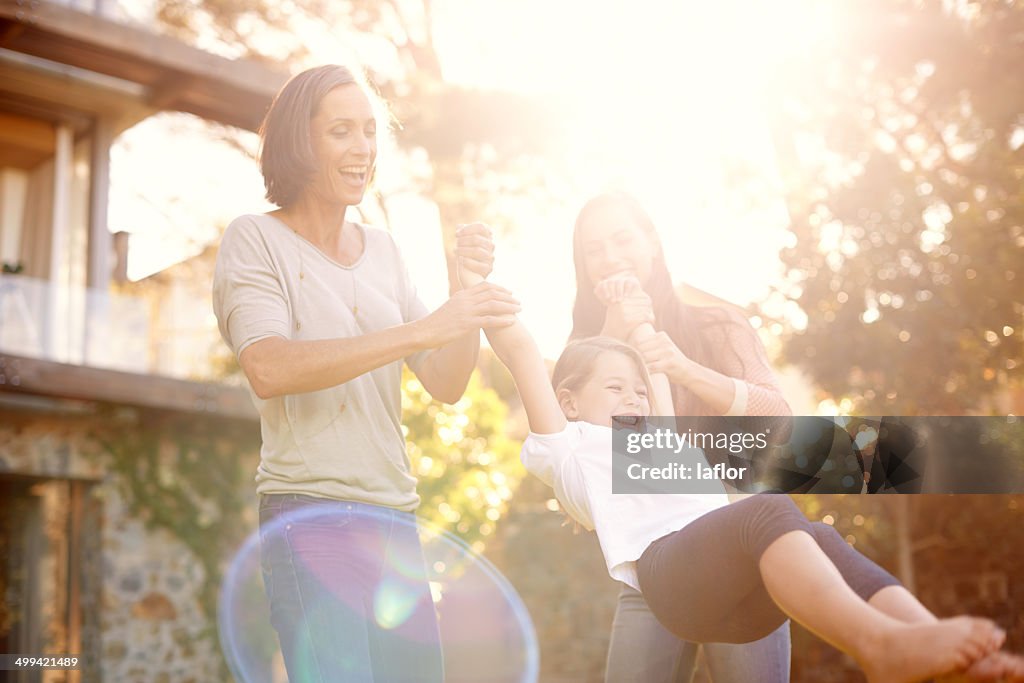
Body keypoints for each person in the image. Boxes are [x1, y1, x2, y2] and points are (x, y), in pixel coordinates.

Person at [458, 258, 1024, 683]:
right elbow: (523, 354)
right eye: (613, 389)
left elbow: (651, 367)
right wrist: (474, 283)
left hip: (733, 589)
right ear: (570, 401)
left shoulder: (657, 438)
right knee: (769, 511)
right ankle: (879, 646)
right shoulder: (568, 444)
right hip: (668, 574)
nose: (633, 397)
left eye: (638, 390)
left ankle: (936, 643)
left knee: (819, 536)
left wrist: (640, 319)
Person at [211, 64, 519, 682]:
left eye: (371, 132)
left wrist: (464, 293)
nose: (364, 150)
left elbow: (445, 383)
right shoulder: (255, 240)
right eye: (342, 132)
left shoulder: (385, 250)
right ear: (301, 143)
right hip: (310, 518)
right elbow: (268, 366)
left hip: (394, 521)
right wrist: (422, 329)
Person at [569, 191, 792, 682]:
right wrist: (615, 329)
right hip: (654, 563)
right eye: (594, 249)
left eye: (622, 239)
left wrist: (683, 369)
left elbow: (776, 412)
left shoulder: (718, 324)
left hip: (738, 549)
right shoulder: (582, 353)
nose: (609, 257)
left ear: (652, 242)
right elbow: (569, 449)